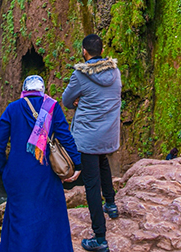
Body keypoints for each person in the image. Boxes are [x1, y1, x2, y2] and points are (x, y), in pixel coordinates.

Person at [0, 75, 81, 252]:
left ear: (24, 91)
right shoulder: (52, 107)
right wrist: (77, 164)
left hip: (18, 172)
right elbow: (65, 137)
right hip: (45, 172)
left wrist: (4, 168)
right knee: (51, 216)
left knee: (20, 217)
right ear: (42, 90)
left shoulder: (12, 108)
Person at [62, 34, 122, 252]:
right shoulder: (115, 72)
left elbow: (67, 100)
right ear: (102, 50)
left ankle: (100, 237)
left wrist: (80, 100)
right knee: (103, 162)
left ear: (84, 51)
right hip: (109, 134)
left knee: (91, 184)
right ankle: (112, 205)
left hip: (88, 137)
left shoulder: (80, 75)